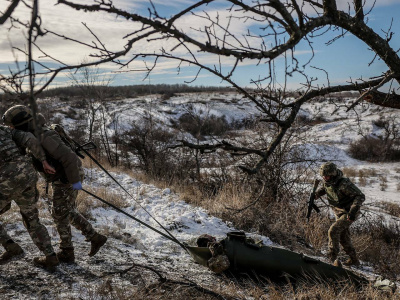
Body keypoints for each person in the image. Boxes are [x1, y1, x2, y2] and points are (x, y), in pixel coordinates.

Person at [2, 105, 107, 264]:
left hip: (67, 177)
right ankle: (92, 238)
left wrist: (75, 183)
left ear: (19, 122)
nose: (10, 128)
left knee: (59, 213)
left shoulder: (44, 136)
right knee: (63, 211)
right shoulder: (33, 134)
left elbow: (70, 159)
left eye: (12, 125)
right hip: (64, 177)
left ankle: (68, 251)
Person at [0, 123, 59, 270]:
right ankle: (50, 256)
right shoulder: (4, 129)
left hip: (4, 181)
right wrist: (43, 161)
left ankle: (11, 247)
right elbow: (29, 139)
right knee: (32, 219)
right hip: (27, 175)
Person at [315, 162, 365, 266]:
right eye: (323, 176)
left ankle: (331, 258)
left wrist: (353, 211)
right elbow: (325, 188)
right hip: (339, 212)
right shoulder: (328, 181)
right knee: (343, 237)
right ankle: (354, 260)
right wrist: (316, 194)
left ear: (333, 174)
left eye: (327, 176)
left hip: (349, 212)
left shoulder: (343, 184)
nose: (325, 178)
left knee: (333, 231)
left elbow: (360, 196)